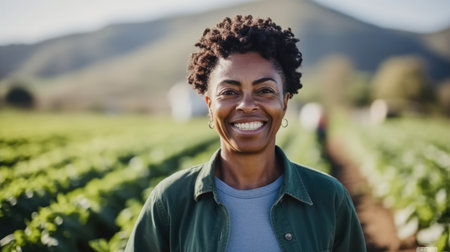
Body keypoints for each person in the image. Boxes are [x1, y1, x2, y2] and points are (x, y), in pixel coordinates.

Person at [125, 15, 366, 252]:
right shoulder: (169, 201)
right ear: (210, 106)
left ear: (284, 103)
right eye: (229, 92)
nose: (247, 105)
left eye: (264, 91)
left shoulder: (329, 198)